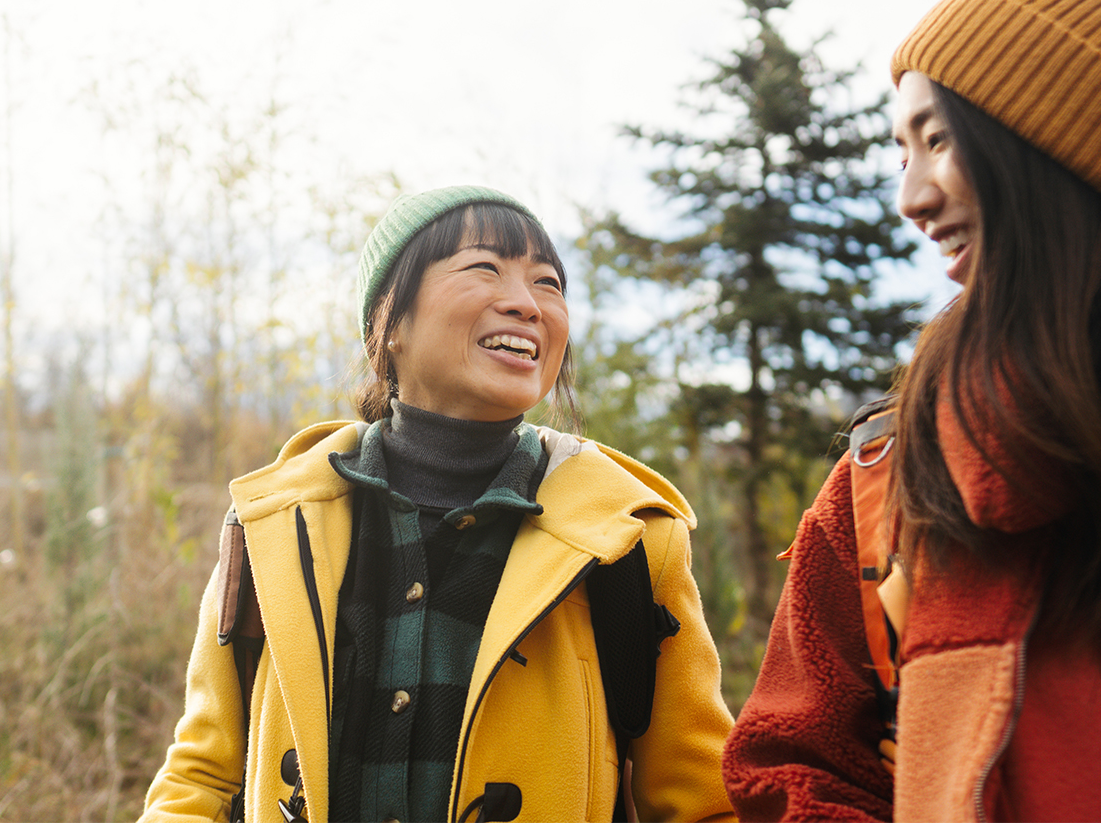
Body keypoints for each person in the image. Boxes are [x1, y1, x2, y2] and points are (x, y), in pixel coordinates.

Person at [722, 0, 1101, 822]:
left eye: (937, 138)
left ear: (1076, 145)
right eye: (900, 152)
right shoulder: (882, 477)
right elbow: (794, 763)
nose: (911, 197)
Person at [141, 185, 735, 822]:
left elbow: (703, 805)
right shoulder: (277, 524)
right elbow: (201, 778)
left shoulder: (628, 540)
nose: (526, 303)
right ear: (389, 324)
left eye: (549, 283)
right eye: (485, 267)